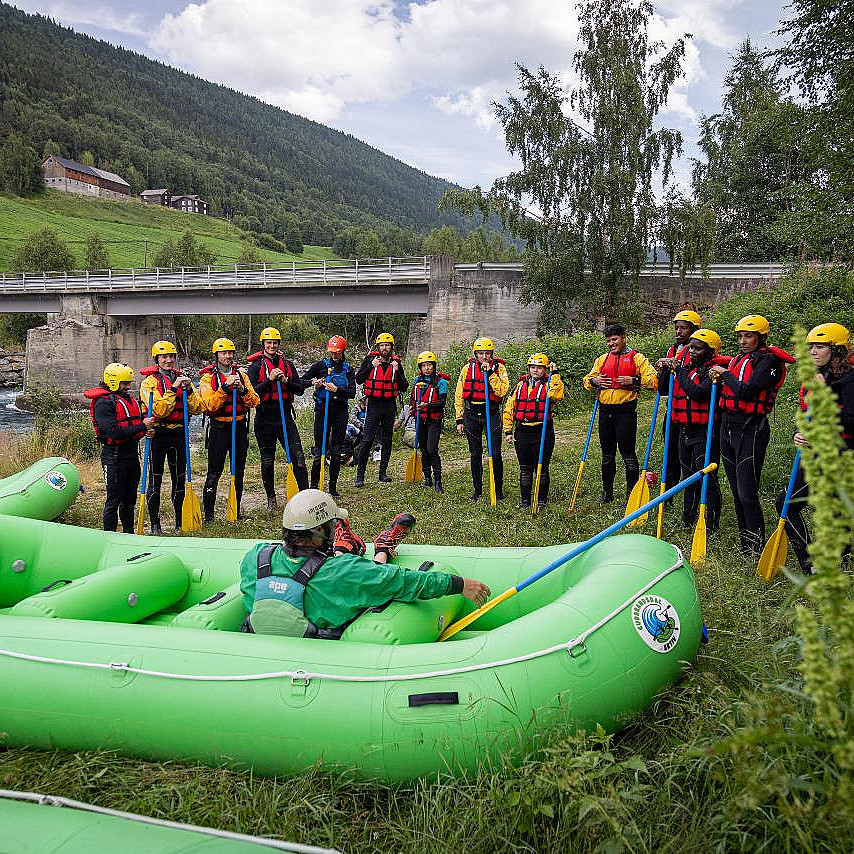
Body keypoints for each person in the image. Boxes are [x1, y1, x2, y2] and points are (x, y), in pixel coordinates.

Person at [238, 489, 491, 638]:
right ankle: (381, 548)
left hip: (330, 573)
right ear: (323, 530)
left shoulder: (256, 558)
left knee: (337, 566)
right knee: (369, 575)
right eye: (333, 526)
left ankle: (349, 546)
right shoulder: (345, 572)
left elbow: (299, 567)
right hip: (338, 592)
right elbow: (402, 581)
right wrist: (459, 585)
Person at [709, 315, 794, 555]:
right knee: (736, 490)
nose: (743, 341)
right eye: (741, 336)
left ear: (761, 337)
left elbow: (746, 392)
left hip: (751, 428)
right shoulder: (738, 359)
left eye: (749, 336)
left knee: (747, 491)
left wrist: (724, 374)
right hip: (728, 425)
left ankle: (757, 545)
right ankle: (746, 544)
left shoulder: (769, 362)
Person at [774, 323, 854, 574]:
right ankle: (811, 563)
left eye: (820, 347)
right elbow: (805, 414)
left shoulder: (849, 381)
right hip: (814, 452)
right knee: (786, 504)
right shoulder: (816, 376)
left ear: (837, 350)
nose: (813, 352)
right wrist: (798, 433)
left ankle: (837, 559)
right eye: (811, 347)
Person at [583, 323, 658, 504]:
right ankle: (607, 493)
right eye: (608, 340)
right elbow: (587, 380)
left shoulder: (637, 358)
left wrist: (634, 380)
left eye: (614, 339)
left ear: (624, 338)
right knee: (607, 455)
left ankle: (631, 496)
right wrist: (595, 381)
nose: (611, 343)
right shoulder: (602, 359)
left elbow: (653, 380)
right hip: (605, 412)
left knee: (628, 454)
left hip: (625, 413)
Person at [663, 329, 725, 533]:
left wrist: (679, 369)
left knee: (708, 478)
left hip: (704, 432)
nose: (692, 351)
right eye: (691, 347)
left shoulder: (713, 372)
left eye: (698, 349)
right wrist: (666, 369)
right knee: (689, 478)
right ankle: (687, 519)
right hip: (685, 430)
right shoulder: (687, 369)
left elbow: (698, 393)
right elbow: (663, 389)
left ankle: (712, 525)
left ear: (710, 352)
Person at [139, 340, 204, 535]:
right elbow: (159, 410)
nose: (168, 360)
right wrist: (173, 389)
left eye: (171, 356)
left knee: (179, 479)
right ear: (157, 359)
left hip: (178, 434)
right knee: (156, 479)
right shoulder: (149, 382)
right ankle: (155, 523)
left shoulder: (183, 379)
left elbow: (198, 408)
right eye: (164, 357)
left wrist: (190, 390)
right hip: (158, 434)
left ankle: (178, 520)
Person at [84, 363, 155, 533]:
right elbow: (114, 432)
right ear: (114, 381)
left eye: (128, 382)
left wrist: (147, 431)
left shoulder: (127, 400)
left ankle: (128, 534)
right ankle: (109, 536)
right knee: (113, 500)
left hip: (131, 454)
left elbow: (137, 423)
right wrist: (143, 427)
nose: (128, 386)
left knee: (129, 500)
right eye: (125, 383)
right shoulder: (103, 403)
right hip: (114, 456)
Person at [246, 327, 309, 512]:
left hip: (285, 418)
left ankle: (305, 495)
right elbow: (252, 394)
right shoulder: (256, 366)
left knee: (298, 456)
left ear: (278, 344)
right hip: (265, 419)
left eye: (275, 343)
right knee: (267, 461)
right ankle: (271, 498)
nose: (272, 345)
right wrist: (269, 380)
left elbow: (299, 389)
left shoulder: (287, 364)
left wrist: (285, 382)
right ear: (263, 345)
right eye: (269, 343)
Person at [199, 337, 260, 522]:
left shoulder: (242, 375)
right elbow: (208, 406)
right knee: (214, 472)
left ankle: (236, 511)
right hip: (219, 427)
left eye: (230, 353)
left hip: (239, 426)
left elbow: (255, 400)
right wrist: (224, 388)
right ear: (216, 355)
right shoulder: (207, 378)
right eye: (223, 353)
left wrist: (242, 390)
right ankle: (209, 516)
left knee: (239, 471)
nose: (227, 356)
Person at [503, 354, 564, 508]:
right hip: (522, 432)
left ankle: (541, 500)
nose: (535, 370)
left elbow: (556, 395)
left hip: (543, 431)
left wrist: (555, 374)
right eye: (532, 367)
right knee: (525, 469)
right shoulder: (519, 386)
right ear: (528, 368)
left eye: (539, 367)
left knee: (542, 467)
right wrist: (508, 431)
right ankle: (525, 501)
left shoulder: (550, 384)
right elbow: (509, 409)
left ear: (545, 369)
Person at [455, 337, 510, 502]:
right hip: (471, 414)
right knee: (475, 453)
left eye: (487, 353)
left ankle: (498, 491)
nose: (484, 357)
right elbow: (459, 394)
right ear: (475, 354)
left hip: (491, 414)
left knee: (496, 453)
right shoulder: (467, 369)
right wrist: (459, 419)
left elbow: (502, 391)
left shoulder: (499, 368)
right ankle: (477, 491)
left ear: (492, 353)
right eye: (481, 353)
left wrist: (491, 374)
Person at [301, 336, 357, 496]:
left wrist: (336, 390)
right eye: (332, 353)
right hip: (322, 411)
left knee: (336, 450)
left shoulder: (348, 369)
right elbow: (301, 381)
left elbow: (352, 393)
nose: (335, 355)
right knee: (320, 450)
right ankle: (313, 488)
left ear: (343, 352)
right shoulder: (320, 366)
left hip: (340, 412)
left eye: (337, 353)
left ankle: (332, 488)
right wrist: (314, 383)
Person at [656, 310, 702, 494]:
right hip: (674, 411)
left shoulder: (701, 352)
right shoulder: (672, 350)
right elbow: (663, 390)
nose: (679, 331)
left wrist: (676, 363)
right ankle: (667, 496)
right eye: (677, 328)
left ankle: (692, 496)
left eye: (684, 328)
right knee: (670, 455)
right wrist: (665, 369)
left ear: (694, 330)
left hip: (692, 414)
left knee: (689, 460)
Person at [354, 332, 408, 487]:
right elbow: (359, 379)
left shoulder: (396, 363)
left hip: (389, 405)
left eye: (387, 345)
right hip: (374, 405)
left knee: (387, 440)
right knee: (367, 440)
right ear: (378, 347)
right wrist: (371, 366)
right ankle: (360, 475)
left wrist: (397, 371)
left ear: (391, 347)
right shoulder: (370, 360)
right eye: (382, 345)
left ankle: (382, 473)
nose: (385, 348)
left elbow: (404, 386)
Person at [410, 351, 450, 492]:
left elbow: (442, 403)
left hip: (434, 420)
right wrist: (412, 408)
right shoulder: (417, 381)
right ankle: (427, 478)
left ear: (434, 366)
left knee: (432, 449)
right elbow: (413, 398)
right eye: (424, 366)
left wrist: (427, 405)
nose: (427, 368)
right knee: (423, 450)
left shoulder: (441, 382)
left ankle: (438, 480)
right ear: (420, 367)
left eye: (430, 365)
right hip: (420, 419)